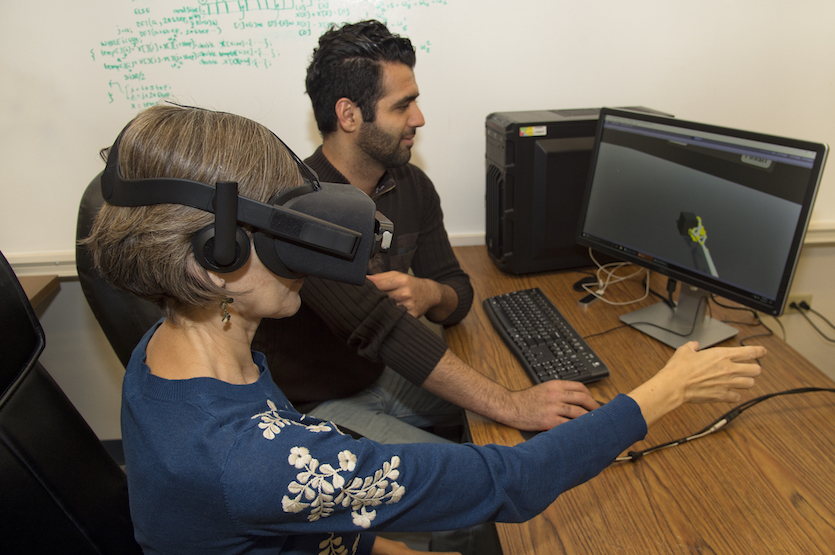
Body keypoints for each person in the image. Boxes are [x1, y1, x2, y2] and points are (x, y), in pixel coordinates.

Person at [83, 103, 764, 555]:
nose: (305, 253)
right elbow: (512, 479)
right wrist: (661, 393)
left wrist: (375, 543)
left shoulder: (174, 353)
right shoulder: (241, 458)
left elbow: (291, 514)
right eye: (283, 228)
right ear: (216, 260)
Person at [253, 20, 599, 445]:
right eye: (402, 106)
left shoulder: (411, 184)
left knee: (539, 401)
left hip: (384, 377)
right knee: (470, 483)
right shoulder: (302, 211)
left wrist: (430, 293)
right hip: (312, 410)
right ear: (349, 115)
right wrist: (512, 404)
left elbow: (458, 291)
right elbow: (382, 328)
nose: (419, 118)